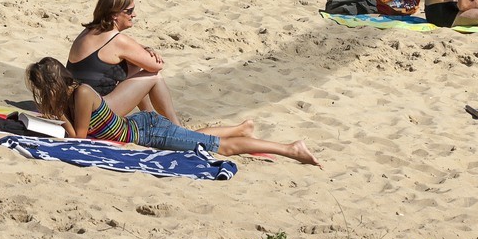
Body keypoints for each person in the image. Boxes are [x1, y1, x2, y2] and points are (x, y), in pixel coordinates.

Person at [25, 58, 318, 166]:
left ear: (53, 85)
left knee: (222, 150)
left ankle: (289, 148)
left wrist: (59, 116)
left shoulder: (82, 93)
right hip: (144, 128)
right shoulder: (71, 98)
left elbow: (81, 137)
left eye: (42, 90)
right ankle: (241, 129)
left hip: (147, 130)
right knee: (188, 137)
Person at [67, 0, 178, 123]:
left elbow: (130, 52)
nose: (134, 14)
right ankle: (175, 125)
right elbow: (157, 65)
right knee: (153, 76)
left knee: (133, 69)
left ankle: (151, 116)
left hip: (74, 109)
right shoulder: (117, 40)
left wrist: (145, 49)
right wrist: (146, 52)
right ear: (114, 14)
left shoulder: (88, 32)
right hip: (96, 113)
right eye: (129, 11)